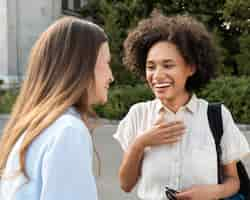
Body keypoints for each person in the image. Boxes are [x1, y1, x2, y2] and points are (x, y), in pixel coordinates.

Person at [113, 12, 250, 200]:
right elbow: (125, 185)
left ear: (191, 68)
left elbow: (234, 181)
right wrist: (140, 143)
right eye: (151, 67)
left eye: (168, 65)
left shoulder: (216, 116)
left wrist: (213, 192)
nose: (157, 75)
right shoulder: (138, 114)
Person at [0, 16, 113, 200]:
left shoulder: (31, 128)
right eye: (106, 62)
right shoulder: (68, 130)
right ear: (79, 65)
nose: (111, 76)